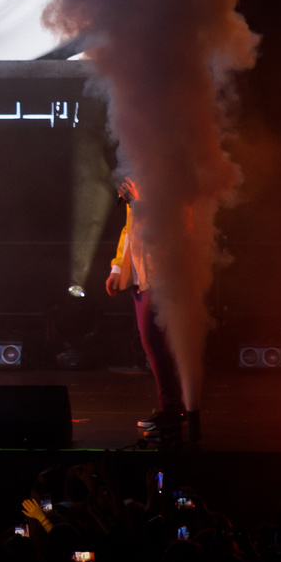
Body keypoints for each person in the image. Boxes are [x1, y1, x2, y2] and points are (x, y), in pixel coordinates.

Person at [105, 175, 196, 442]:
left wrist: (136, 202)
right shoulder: (139, 181)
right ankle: (171, 408)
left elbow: (171, 227)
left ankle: (172, 409)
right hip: (138, 276)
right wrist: (117, 268)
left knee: (155, 341)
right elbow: (129, 229)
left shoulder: (170, 179)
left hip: (160, 275)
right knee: (152, 342)